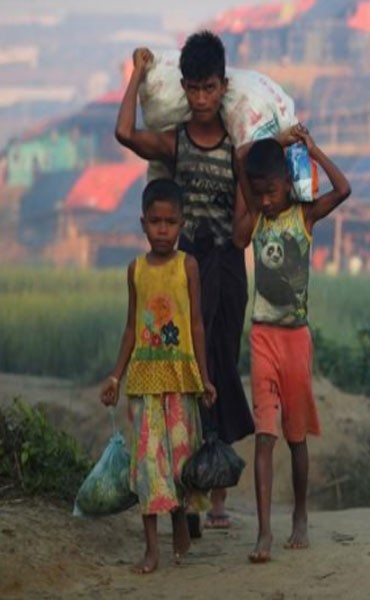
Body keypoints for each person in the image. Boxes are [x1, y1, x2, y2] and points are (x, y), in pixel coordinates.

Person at [115, 31, 254, 532]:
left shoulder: (238, 149)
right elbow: (125, 133)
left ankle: (215, 491)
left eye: (209, 89)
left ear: (223, 87)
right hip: (181, 275)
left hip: (226, 271)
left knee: (217, 369)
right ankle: (184, 490)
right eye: (192, 89)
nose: (199, 100)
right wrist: (136, 74)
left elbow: (242, 229)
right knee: (182, 372)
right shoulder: (175, 142)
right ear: (184, 87)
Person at [232, 126, 351, 563]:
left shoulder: (304, 216)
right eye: (258, 192)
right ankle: (264, 533)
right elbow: (238, 163)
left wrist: (311, 150)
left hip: (296, 339)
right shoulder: (256, 219)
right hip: (262, 334)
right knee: (265, 437)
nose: (265, 199)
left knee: (295, 437)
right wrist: (277, 142)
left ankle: (300, 514)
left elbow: (344, 188)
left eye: (272, 190)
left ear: (288, 182)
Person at [99, 178, 216, 574]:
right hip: (145, 382)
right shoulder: (135, 270)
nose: (162, 230)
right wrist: (116, 377)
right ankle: (151, 549)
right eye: (155, 222)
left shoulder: (189, 266)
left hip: (182, 380)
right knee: (148, 465)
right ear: (142, 223)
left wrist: (204, 378)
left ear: (181, 224)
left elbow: (196, 324)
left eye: (170, 222)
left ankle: (181, 520)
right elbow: (131, 328)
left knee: (181, 464)